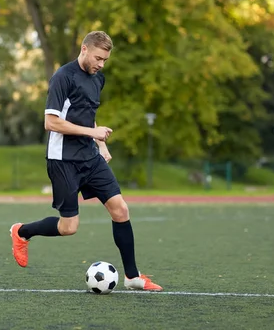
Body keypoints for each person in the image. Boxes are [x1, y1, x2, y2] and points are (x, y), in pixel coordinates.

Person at [9, 31, 162, 291]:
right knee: (69, 227)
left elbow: (87, 114)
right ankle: (22, 232)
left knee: (121, 210)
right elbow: (51, 122)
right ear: (84, 49)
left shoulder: (97, 78)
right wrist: (93, 134)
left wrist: (100, 144)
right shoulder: (62, 77)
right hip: (63, 160)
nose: (101, 64)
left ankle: (133, 277)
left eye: (105, 60)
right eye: (98, 57)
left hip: (90, 157)